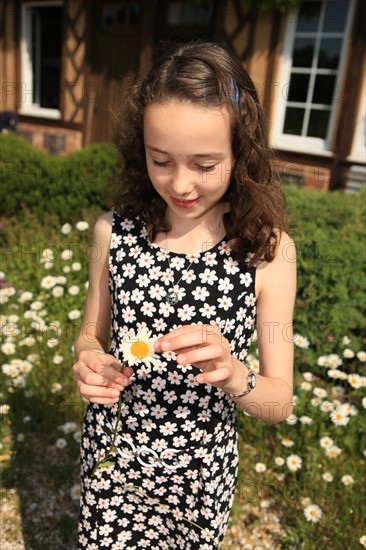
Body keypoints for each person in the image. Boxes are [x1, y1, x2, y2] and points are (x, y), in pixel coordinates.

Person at [72, 40, 296, 550]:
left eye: (204, 163)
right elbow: (90, 333)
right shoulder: (114, 232)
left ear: (242, 151)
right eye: (160, 160)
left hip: (198, 484)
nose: (180, 183)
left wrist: (236, 375)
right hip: (113, 464)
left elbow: (280, 401)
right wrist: (88, 359)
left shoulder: (268, 253)